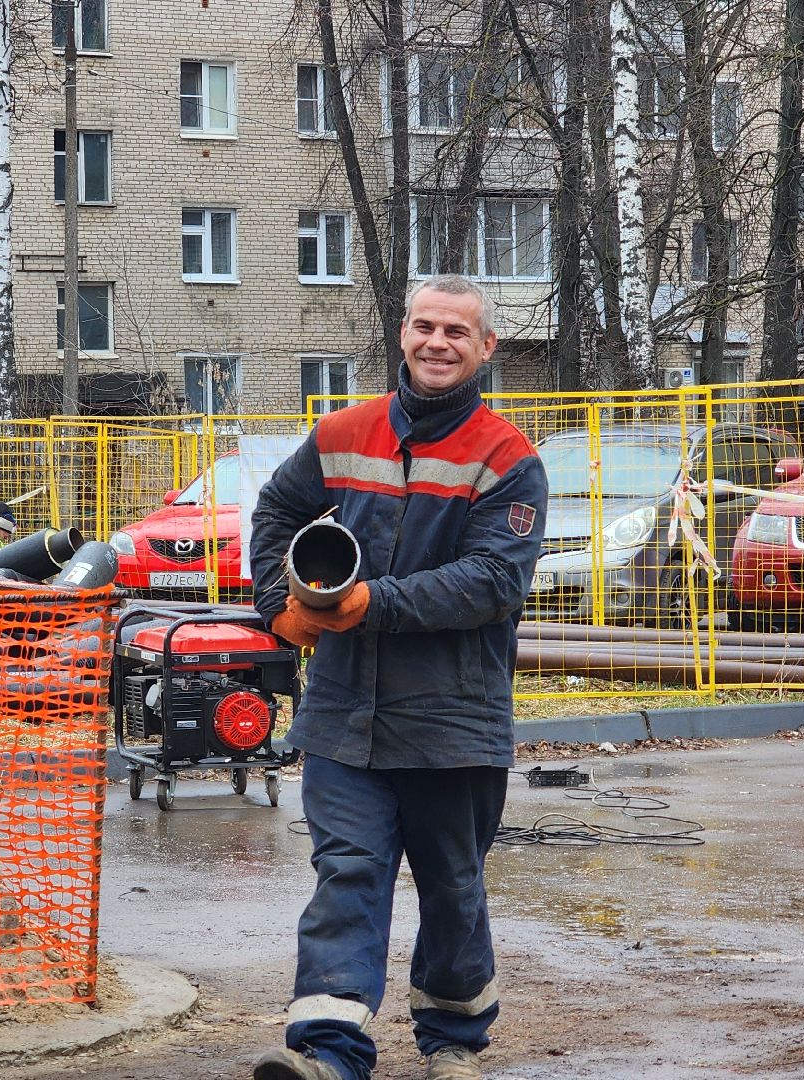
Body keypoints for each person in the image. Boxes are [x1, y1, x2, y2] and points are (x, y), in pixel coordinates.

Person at [247, 275, 548, 1080]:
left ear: (486, 349)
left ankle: (452, 1042)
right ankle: (330, 1054)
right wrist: (282, 608)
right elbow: (275, 512)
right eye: (424, 326)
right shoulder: (345, 431)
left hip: (454, 721)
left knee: (452, 886)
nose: (437, 343)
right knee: (347, 873)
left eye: (457, 331)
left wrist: (369, 603)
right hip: (346, 715)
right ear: (403, 335)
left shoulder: (506, 458)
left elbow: (493, 582)